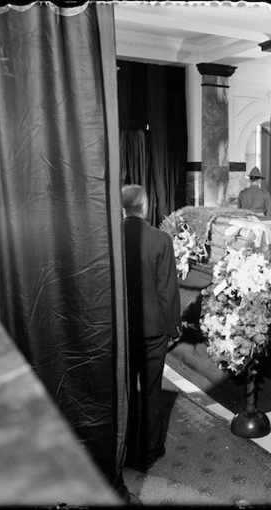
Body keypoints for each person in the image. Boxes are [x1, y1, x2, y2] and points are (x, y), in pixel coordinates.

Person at [121, 184, 181, 471]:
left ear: (122, 207)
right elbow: (168, 290)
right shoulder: (161, 239)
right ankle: (150, 450)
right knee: (151, 391)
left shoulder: (110, 237)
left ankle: (125, 448)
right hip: (154, 330)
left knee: (124, 391)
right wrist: (174, 328)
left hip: (121, 331)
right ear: (145, 207)